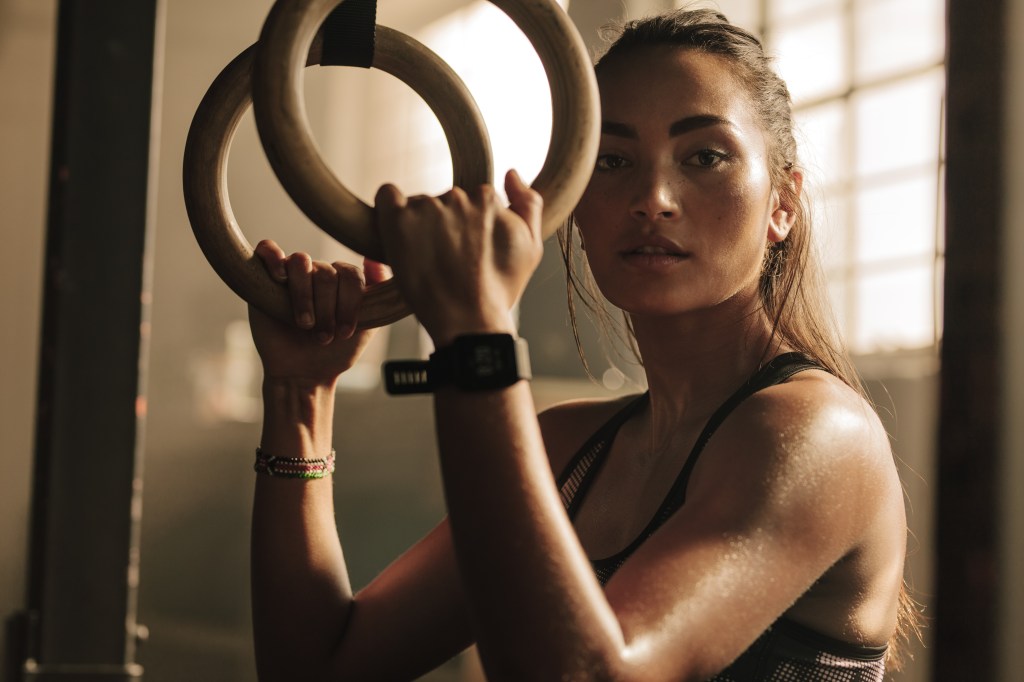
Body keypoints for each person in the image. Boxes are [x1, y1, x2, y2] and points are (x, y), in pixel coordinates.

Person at [246, 8, 920, 681]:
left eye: (705, 156)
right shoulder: (566, 449)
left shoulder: (818, 433)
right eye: (614, 160)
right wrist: (299, 397)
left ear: (783, 203)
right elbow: (315, 666)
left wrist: (476, 332)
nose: (651, 198)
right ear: (574, 204)